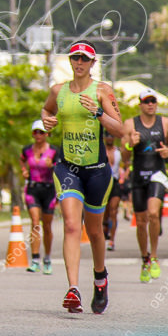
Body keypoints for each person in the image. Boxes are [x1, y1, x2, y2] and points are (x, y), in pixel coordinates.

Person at [41, 40, 123, 314]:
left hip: (97, 169)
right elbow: (47, 110)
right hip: (68, 168)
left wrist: (98, 113)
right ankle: (73, 289)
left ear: (92, 63)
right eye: (75, 58)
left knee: (95, 230)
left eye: (84, 59)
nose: (79, 63)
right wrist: (47, 120)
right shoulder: (58, 91)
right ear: (70, 62)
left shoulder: (102, 91)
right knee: (72, 226)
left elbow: (120, 130)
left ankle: (100, 278)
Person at [124, 88, 168, 284]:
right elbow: (125, 156)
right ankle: (144, 258)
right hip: (138, 176)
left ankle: (154, 256)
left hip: (157, 173)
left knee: (153, 214)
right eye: (146, 101)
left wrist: (167, 151)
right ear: (140, 105)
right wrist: (130, 143)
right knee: (141, 221)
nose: (151, 104)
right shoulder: (130, 124)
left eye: (153, 100)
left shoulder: (165, 123)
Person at [21, 120, 57, 274]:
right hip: (33, 189)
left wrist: (52, 166)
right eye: (35, 132)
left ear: (47, 134)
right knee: (35, 223)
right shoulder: (27, 150)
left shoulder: (54, 151)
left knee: (47, 226)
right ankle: (35, 259)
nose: (38, 135)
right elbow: (22, 160)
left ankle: (47, 258)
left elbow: (62, 169)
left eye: (41, 132)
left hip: (49, 190)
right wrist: (24, 171)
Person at [101, 132, 124, 252]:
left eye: (111, 135)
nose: (110, 138)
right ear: (104, 137)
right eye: (107, 136)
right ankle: (105, 228)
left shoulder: (118, 151)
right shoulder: (99, 150)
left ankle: (112, 240)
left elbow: (127, 163)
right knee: (104, 211)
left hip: (114, 182)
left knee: (113, 211)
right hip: (102, 183)